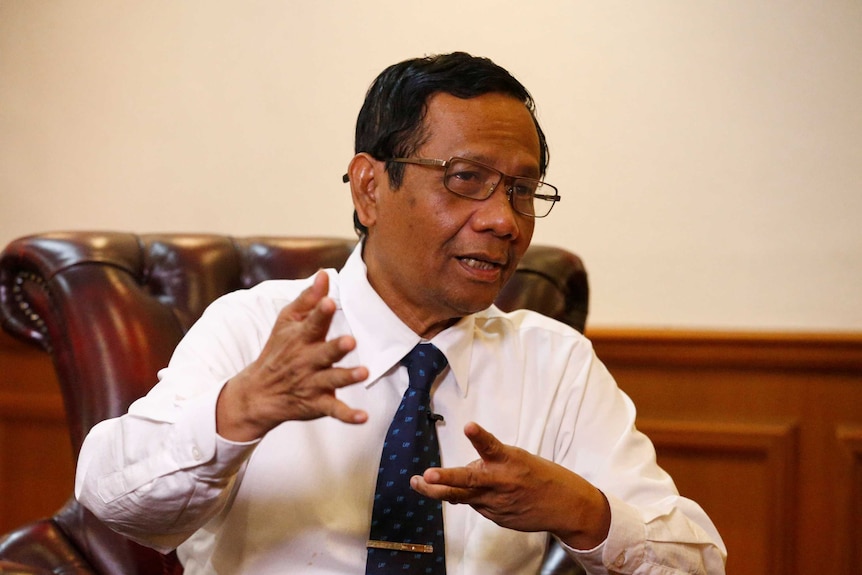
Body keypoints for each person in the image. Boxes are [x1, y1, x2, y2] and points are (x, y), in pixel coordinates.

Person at [75, 52, 726, 574]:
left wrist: (583, 509)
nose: (503, 219)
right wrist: (239, 408)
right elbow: (111, 498)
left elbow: (697, 562)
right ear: (369, 188)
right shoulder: (255, 329)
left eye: (522, 190)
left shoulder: (554, 363)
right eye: (465, 178)